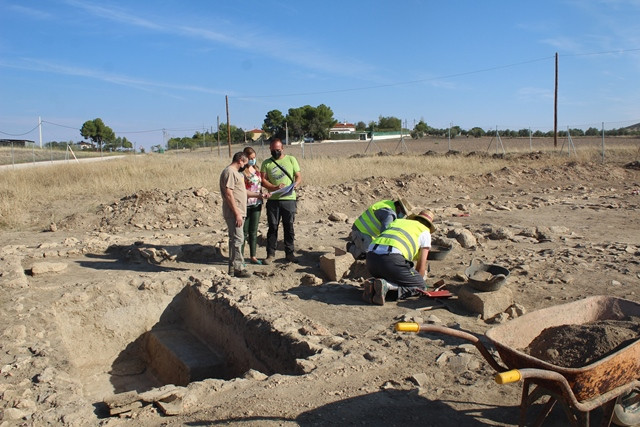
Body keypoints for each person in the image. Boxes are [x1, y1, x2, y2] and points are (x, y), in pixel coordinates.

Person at [363, 210, 436, 305]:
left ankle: (373, 285)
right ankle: (387, 288)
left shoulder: (398, 222)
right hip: (391, 261)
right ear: (429, 225)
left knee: (395, 275)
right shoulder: (425, 231)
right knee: (420, 286)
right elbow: (421, 267)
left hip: (371, 259)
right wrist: (419, 279)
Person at [219, 151, 265, 278]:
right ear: (240, 160)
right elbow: (229, 194)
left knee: (236, 239)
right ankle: (238, 268)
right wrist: (237, 213)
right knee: (238, 239)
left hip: (239, 211)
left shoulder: (236, 174)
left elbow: (243, 191)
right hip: (235, 212)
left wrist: (259, 195)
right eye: (245, 162)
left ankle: (233, 268)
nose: (246, 165)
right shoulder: (230, 172)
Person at [260, 138, 302, 264]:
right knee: (273, 227)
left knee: (289, 226)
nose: (275, 152)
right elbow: (263, 180)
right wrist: (274, 188)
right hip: (273, 200)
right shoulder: (266, 163)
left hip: (289, 199)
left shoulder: (291, 159)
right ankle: (270, 254)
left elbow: (298, 176)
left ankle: (290, 253)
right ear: (270, 149)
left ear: (282, 148)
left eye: (278, 150)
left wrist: (295, 184)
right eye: (273, 150)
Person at [347, 198, 414, 260]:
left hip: (366, 232)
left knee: (374, 251)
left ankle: (357, 242)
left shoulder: (388, 203)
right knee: (368, 256)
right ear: (399, 208)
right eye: (404, 213)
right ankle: (350, 247)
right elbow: (385, 234)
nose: (403, 215)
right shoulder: (389, 214)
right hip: (361, 231)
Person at [242, 146, 268, 265]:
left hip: (257, 204)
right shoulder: (242, 172)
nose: (253, 160)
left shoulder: (256, 170)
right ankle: (240, 257)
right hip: (246, 204)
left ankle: (253, 256)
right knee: (243, 232)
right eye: (251, 158)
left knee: (253, 231)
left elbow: (262, 182)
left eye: (254, 157)